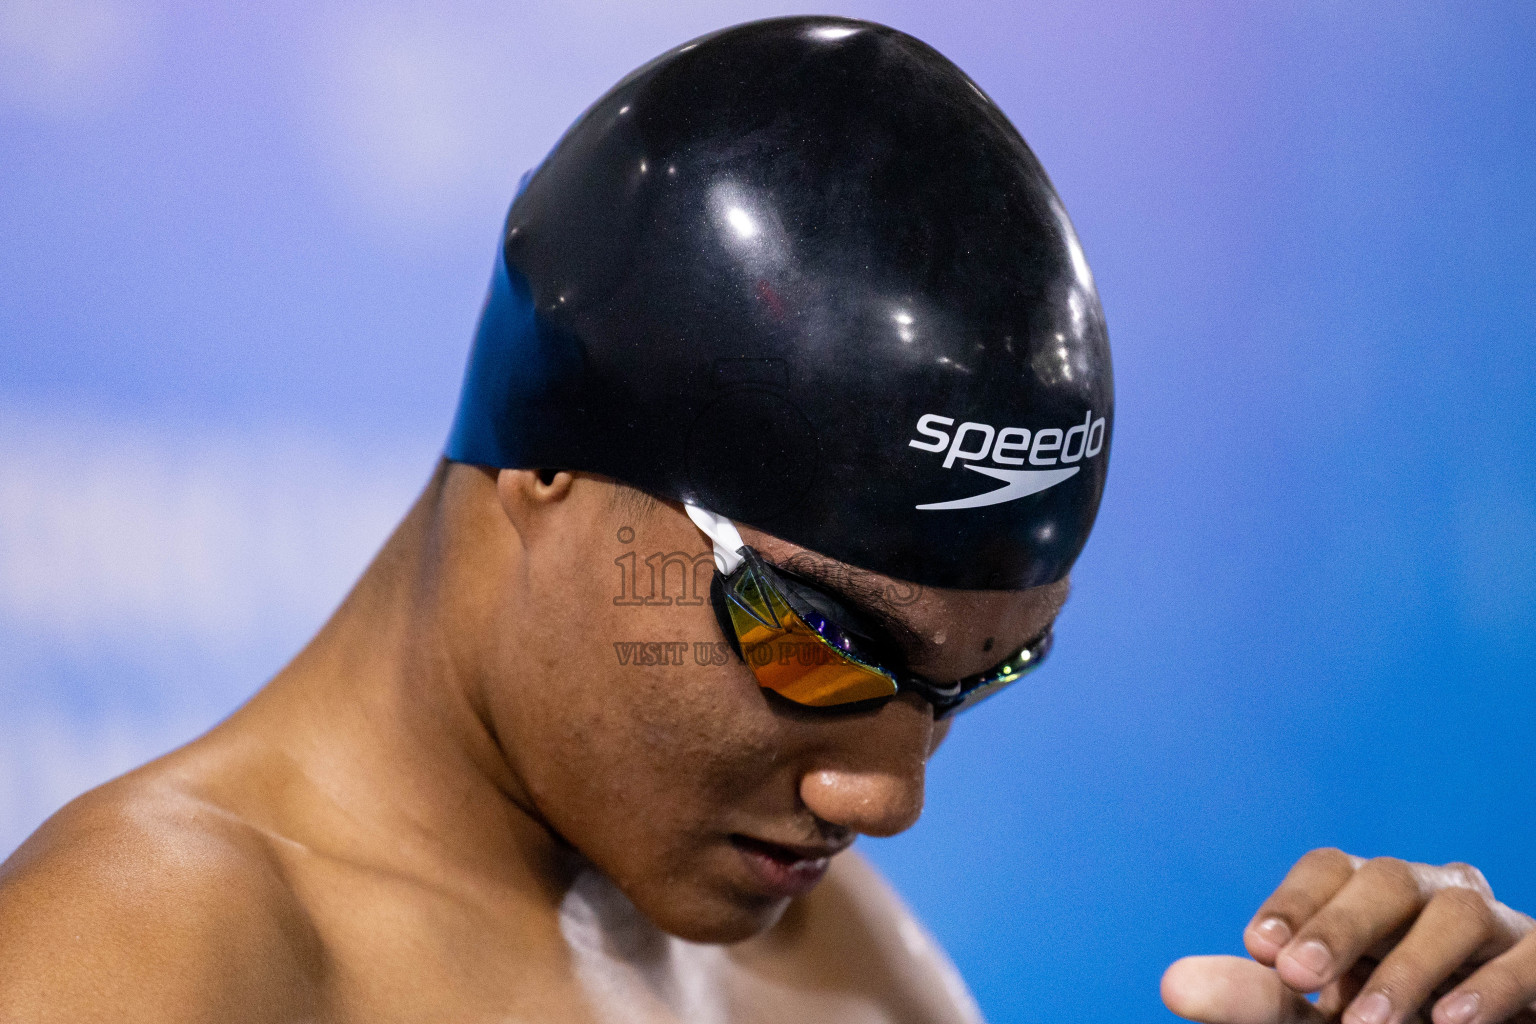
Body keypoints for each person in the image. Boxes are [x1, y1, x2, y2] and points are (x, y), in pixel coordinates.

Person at [0, 15, 1530, 1024]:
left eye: (973, 682)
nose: (889, 797)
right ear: (549, 456)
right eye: (813, 641)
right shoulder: (148, 959)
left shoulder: (836, 971)